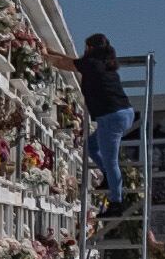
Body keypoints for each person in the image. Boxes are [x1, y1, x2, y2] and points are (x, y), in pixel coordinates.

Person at [51, 34, 133, 208]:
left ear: (90, 48)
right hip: (122, 112)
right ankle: (107, 177)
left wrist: (42, 54)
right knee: (91, 147)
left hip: (111, 117)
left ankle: (117, 202)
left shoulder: (91, 64)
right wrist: (51, 51)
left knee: (111, 161)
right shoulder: (102, 63)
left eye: (86, 47)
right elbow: (74, 62)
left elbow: (63, 64)